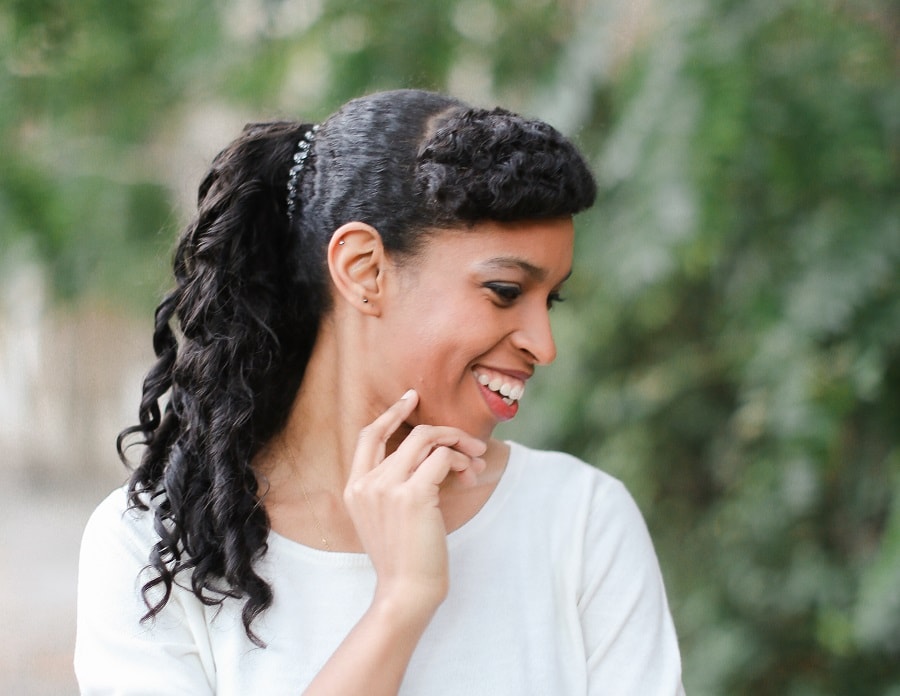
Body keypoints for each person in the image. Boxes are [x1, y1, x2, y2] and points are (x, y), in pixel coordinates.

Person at [74, 89, 684, 695]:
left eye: (548, 300)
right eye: (504, 291)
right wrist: (400, 604)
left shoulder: (581, 523)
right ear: (364, 269)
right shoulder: (152, 552)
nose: (544, 345)